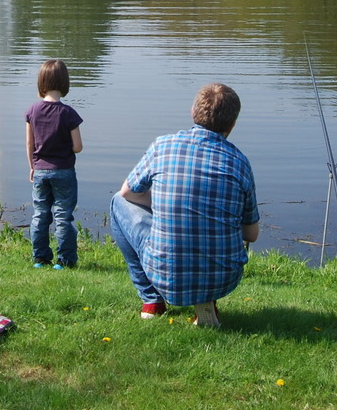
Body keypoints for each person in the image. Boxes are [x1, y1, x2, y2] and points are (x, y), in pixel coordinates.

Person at [110, 83, 260, 328]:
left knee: (117, 203)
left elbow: (127, 193)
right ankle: (206, 300)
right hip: (224, 278)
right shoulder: (240, 162)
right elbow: (251, 234)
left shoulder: (163, 146)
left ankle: (152, 299)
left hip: (165, 274)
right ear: (232, 124)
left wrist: (161, 203)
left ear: (193, 112)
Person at [25, 59, 84, 269]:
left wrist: (32, 166)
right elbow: (78, 147)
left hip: (40, 170)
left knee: (40, 214)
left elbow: (30, 143)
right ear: (65, 83)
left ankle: (40, 258)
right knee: (63, 216)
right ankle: (65, 260)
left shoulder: (33, 110)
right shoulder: (68, 114)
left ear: (41, 82)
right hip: (64, 171)